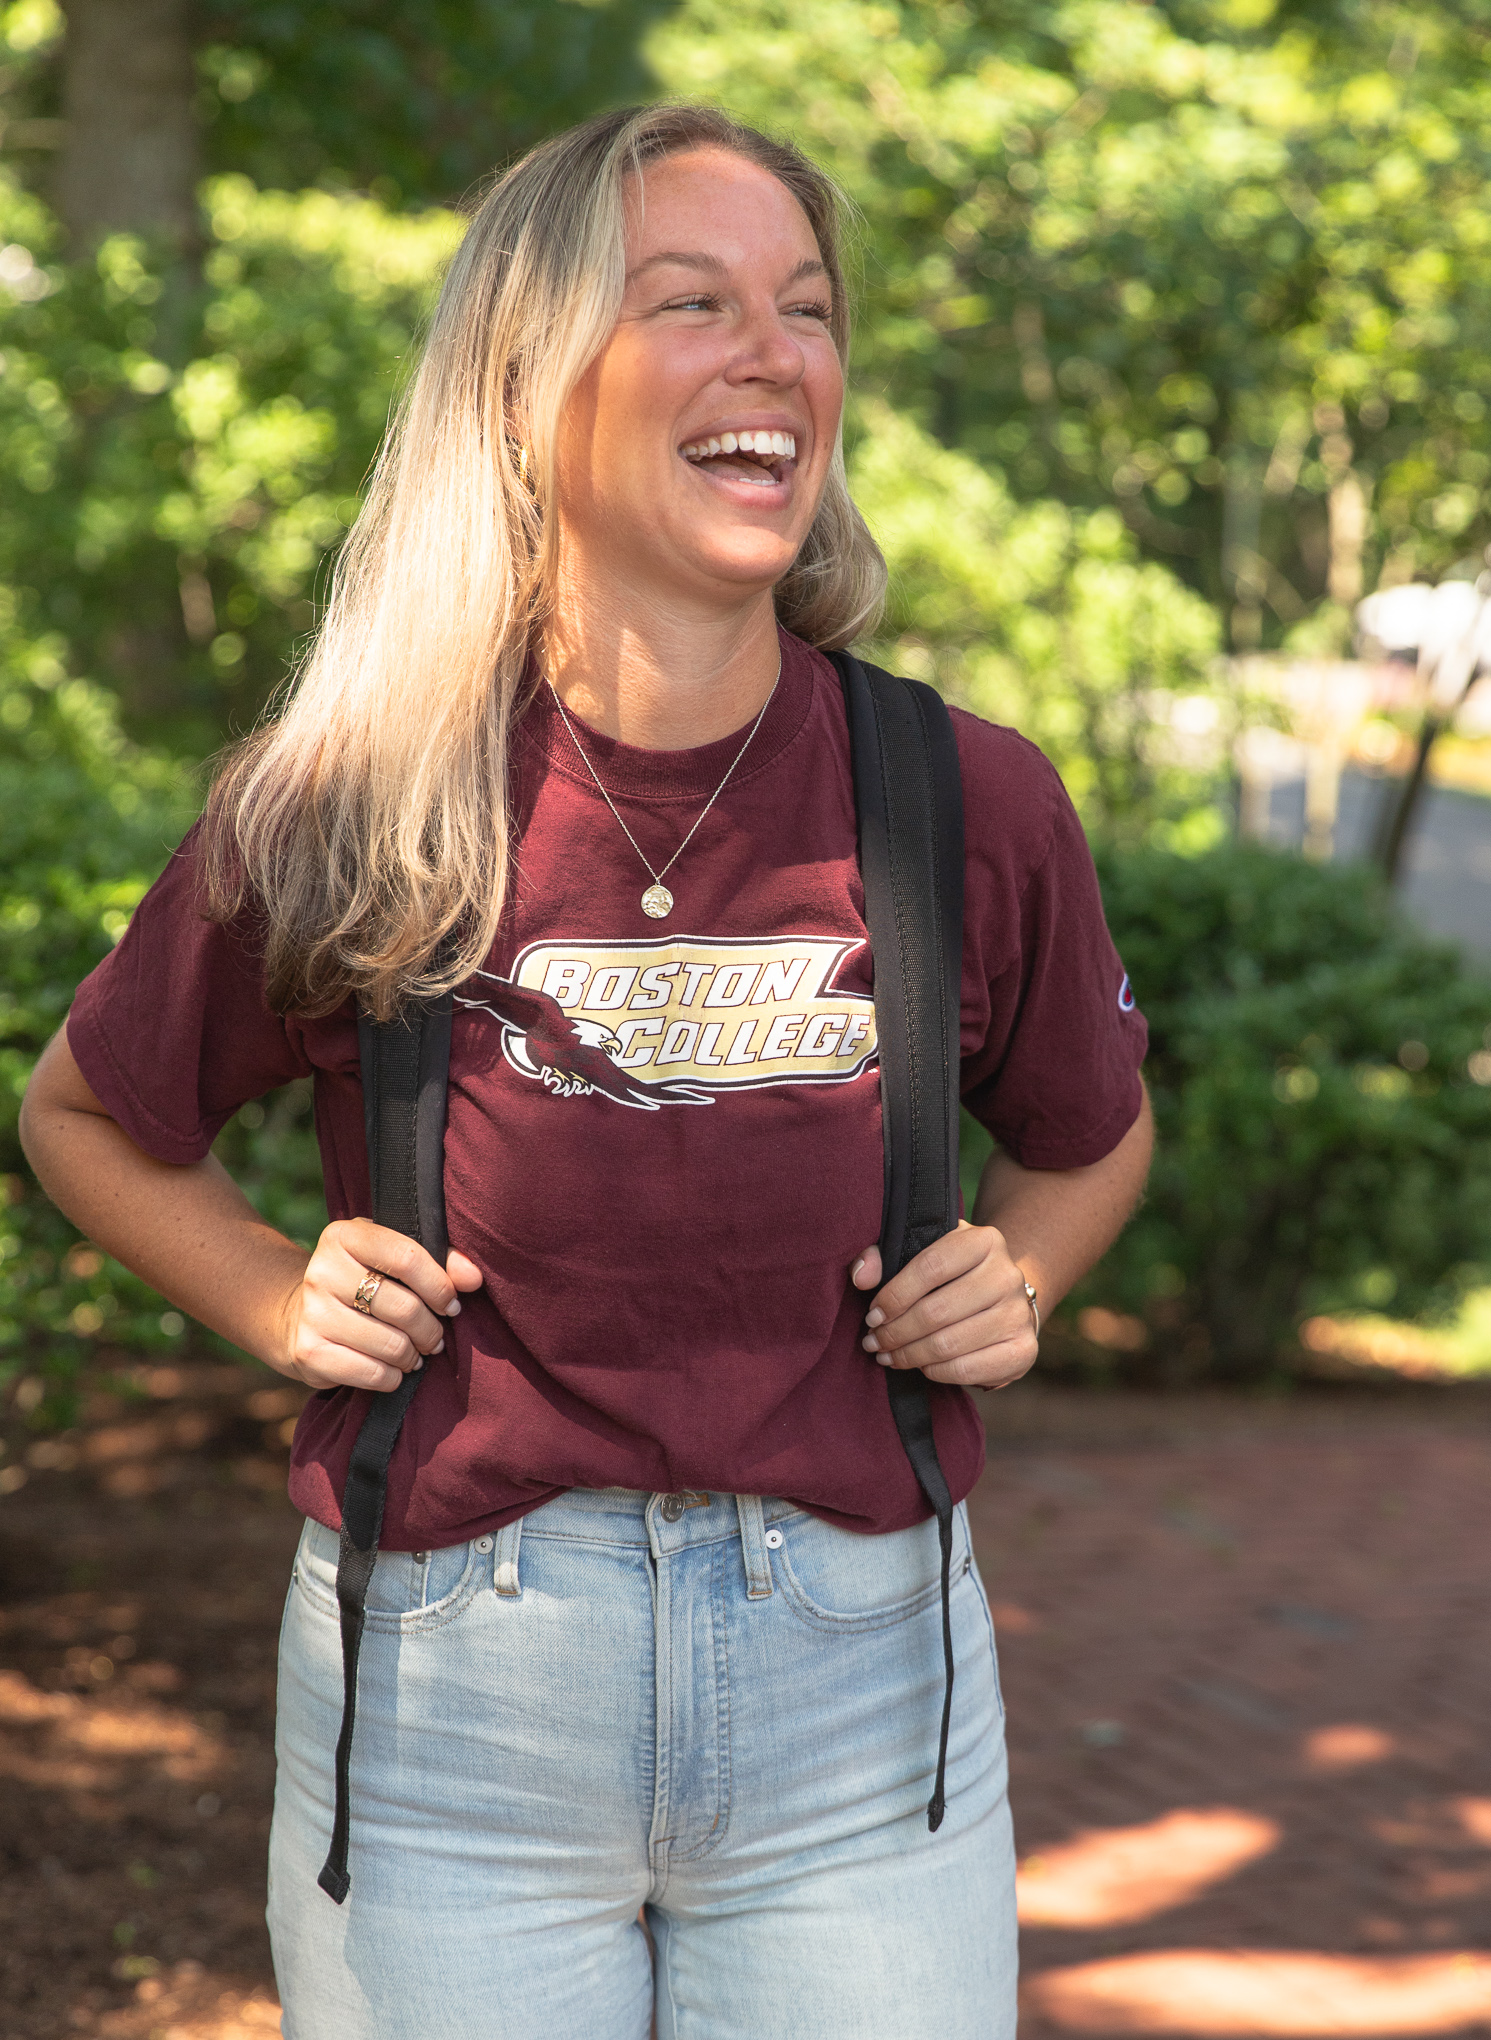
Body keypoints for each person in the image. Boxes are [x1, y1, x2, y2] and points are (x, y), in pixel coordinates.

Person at [21, 103, 1153, 2040]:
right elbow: (80, 1112)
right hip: (455, 1704)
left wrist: (1018, 1273)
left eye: (807, 311)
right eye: (692, 302)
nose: (776, 354)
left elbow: (1093, 1138)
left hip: (860, 1708)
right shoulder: (357, 801)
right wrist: (271, 1290)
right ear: (528, 384)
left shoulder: (957, 798)